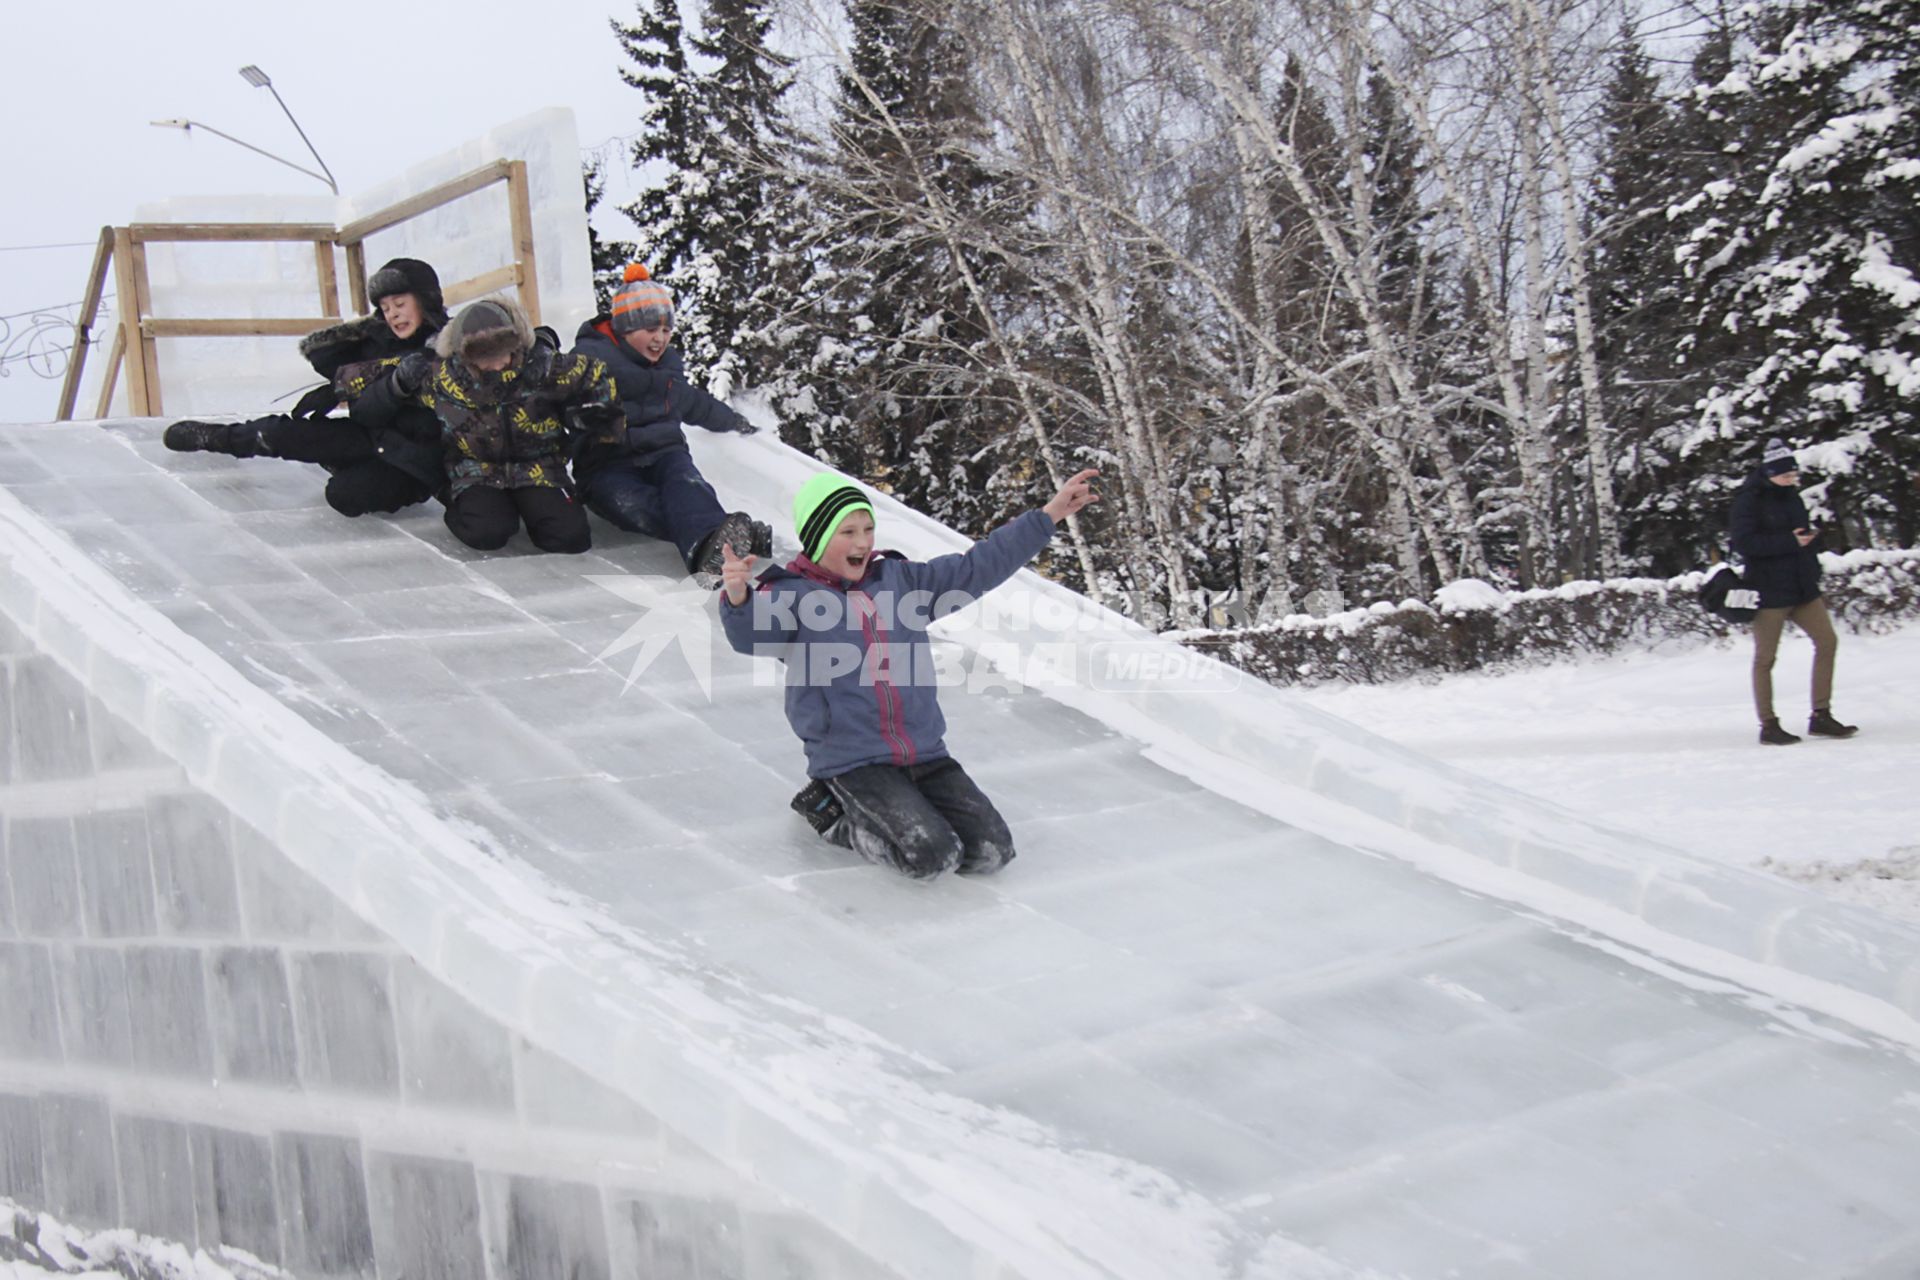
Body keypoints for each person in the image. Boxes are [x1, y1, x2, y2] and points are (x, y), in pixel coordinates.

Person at [719, 468, 1100, 879]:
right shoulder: (791, 594)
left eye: (868, 528)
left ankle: (906, 803)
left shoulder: (899, 581)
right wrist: (738, 596)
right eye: (847, 532)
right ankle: (832, 816)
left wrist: (1047, 516)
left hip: (925, 752)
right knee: (931, 855)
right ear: (817, 537)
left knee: (991, 852)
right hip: (854, 760)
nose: (863, 542)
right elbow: (754, 636)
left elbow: (977, 567)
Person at [162, 258, 449, 517]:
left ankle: (359, 470)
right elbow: (358, 404)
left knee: (345, 495)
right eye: (385, 309)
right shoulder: (377, 343)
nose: (393, 315)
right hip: (369, 436)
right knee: (280, 432)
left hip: (413, 462)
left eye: (400, 304)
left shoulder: (452, 349)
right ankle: (216, 437)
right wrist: (341, 385)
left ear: (426, 300)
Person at [350, 296, 621, 555]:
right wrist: (393, 385)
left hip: (539, 467)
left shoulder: (541, 367)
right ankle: (457, 498)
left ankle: (533, 505)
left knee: (570, 538)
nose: (497, 364)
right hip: (476, 469)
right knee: (485, 534)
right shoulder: (442, 377)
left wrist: (592, 416)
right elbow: (360, 378)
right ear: (463, 354)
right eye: (484, 356)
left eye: (503, 353)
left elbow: (595, 373)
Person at [570, 264, 772, 576]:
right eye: (650, 330)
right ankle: (726, 535)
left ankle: (710, 547)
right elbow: (560, 407)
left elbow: (696, 404)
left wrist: (732, 421)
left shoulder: (667, 371)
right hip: (607, 463)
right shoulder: (589, 364)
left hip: (665, 452)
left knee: (687, 484)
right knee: (633, 505)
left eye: (665, 331)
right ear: (624, 329)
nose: (659, 339)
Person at [1729, 437, 1858, 745]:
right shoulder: (1748, 501)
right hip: (1768, 589)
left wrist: (1811, 544)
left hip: (1802, 586)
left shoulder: (1792, 497)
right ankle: (1769, 724)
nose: (1791, 480)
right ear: (1769, 473)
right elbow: (1744, 544)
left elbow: (1799, 536)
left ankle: (1821, 715)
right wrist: (1790, 541)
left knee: (1827, 641)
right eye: (1785, 476)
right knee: (1765, 658)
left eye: (1793, 475)